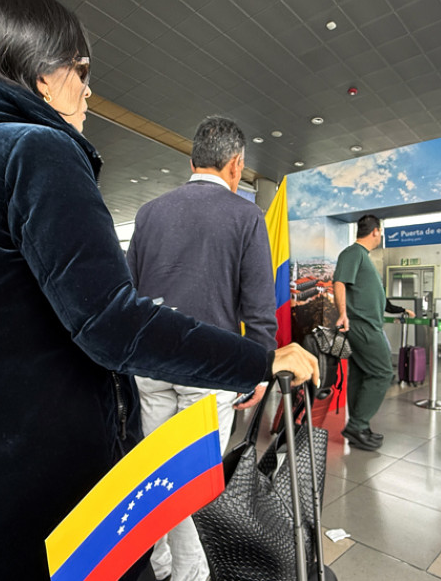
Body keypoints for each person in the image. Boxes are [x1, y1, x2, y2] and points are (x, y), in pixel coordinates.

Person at [0, 0, 318, 581]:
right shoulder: (33, 150)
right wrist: (262, 360)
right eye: (80, 69)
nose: (90, 89)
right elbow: (111, 319)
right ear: (44, 76)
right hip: (1, 507)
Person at [126, 116, 277, 581]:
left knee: (153, 472)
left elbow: (127, 292)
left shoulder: (150, 212)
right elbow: (258, 305)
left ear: (192, 161)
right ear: (236, 165)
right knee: (188, 482)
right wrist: (257, 368)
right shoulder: (246, 216)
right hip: (209, 367)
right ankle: (193, 572)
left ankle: (159, 562)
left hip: (148, 360)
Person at [333, 214, 414, 451]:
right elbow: (339, 282)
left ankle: (360, 426)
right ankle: (357, 425)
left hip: (366, 324)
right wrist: (342, 313)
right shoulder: (353, 253)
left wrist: (399, 309)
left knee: (361, 374)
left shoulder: (364, 258)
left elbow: (376, 297)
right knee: (382, 372)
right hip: (363, 326)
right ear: (376, 231)